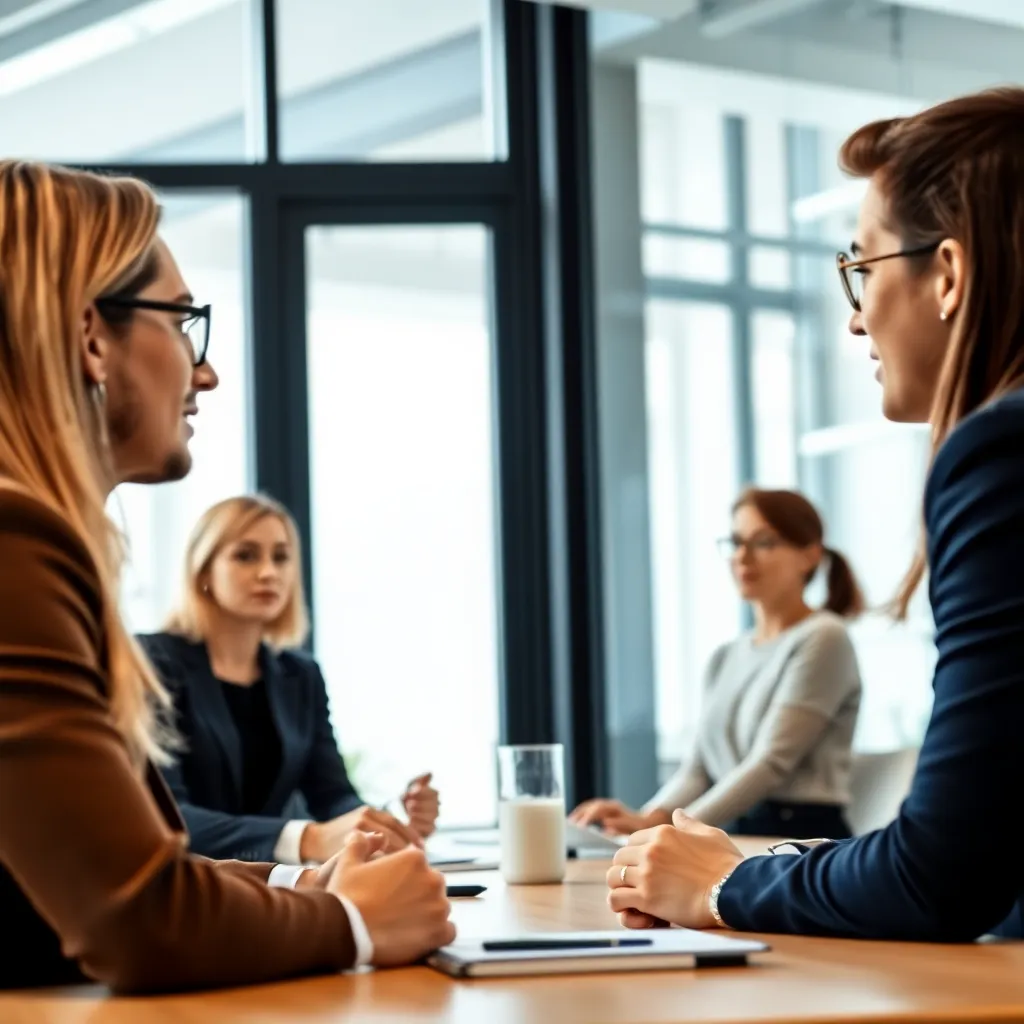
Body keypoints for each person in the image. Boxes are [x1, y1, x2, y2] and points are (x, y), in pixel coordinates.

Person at [0, 160, 453, 993]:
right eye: (183, 323)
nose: (204, 372)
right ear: (93, 336)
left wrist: (310, 885)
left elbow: (75, 895)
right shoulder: (14, 541)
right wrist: (353, 921)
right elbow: (139, 919)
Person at [606, 86, 1024, 943]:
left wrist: (726, 881)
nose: (854, 315)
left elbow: (945, 876)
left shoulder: (1000, 456)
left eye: (860, 267)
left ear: (947, 273)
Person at [138, 494, 440, 865]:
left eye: (280, 557)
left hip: (279, 886)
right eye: (246, 555)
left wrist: (387, 821)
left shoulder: (301, 675)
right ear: (203, 572)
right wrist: (307, 838)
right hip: (185, 886)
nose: (268, 572)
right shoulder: (153, 662)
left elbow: (331, 796)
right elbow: (164, 813)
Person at [572, 487, 863, 841]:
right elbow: (697, 770)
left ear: (809, 555)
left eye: (764, 542)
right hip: (733, 833)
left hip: (799, 842)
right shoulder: (725, 656)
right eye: (736, 542)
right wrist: (647, 818)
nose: (743, 556)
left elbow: (770, 763)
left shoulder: (823, 637)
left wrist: (667, 830)